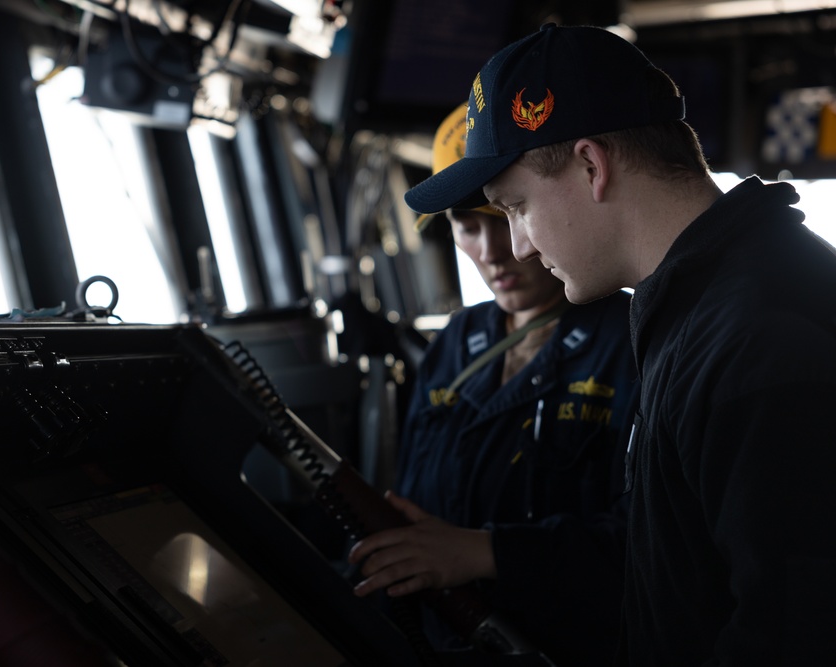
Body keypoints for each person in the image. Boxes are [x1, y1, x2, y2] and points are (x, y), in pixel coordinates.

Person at [403, 22, 836, 667]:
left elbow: (799, 630)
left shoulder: (757, 335)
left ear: (590, 165)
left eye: (516, 207)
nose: (516, 245)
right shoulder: (701, 309)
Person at [347, 102, 639, 666]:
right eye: (466, 225)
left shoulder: (630, 337)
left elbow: (652, 543)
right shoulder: (455, 342)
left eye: (507, 214)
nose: (492, 251)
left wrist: (487, 552)